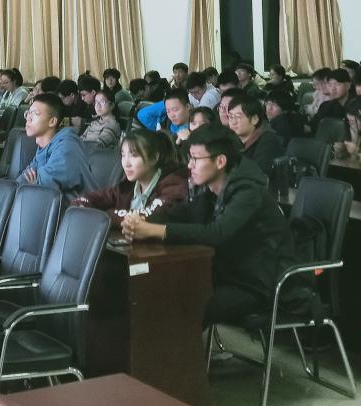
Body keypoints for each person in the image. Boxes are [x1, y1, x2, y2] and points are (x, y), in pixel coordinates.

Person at [122, 125, 304, 324]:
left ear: (220, 161)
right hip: (226, 273)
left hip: (259, 283)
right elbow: (182, 214)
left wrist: (155, 230)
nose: (189, 165)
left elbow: (217, 233)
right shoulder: (207, 187)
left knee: (181, 303)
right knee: (159, 289)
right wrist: (142, 221)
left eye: (195, 159)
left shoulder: (248, 190)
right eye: (189, 158)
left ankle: (177, 345)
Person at [74, 128, 188, 224]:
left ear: (154, 158)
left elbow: (149, 216)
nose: (126, 163)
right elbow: (95, 198)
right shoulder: (128, 186)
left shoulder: (174, 184)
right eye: (123, 155)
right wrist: (81, 205)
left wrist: (101, 216)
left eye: (134, 155)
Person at [20, 93, 95, 198]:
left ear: (52, 121)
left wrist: (34, 184)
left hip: (83, 207)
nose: (28, 118)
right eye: (28, 113)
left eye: (35, 113)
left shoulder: (68, 147)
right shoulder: (43, 147)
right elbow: (24, 179)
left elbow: (44, 185)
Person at [225, 96, 285, 174]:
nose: (233, 122)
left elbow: (257, 175)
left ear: (255, 119)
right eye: (231, 117)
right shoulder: (232, 140)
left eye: (238, 117)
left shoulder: (268, 142)